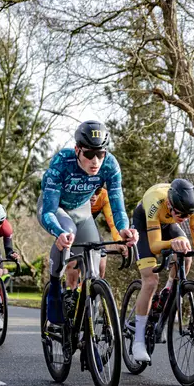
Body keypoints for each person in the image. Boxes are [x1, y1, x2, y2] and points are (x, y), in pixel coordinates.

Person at [38, 120, 138, 323]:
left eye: (100, 154)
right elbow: (49, 211)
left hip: (82, 211)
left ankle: (87, 318)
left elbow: (117, 205)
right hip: (56, 208)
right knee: (68, 232)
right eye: (89, 154)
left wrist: (123, 230)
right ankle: (55, 288)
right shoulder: (62, 161)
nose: (95, 161)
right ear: (77, 150)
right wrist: (58, 232)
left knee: (95, 261)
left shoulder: (110, 165)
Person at [131, 179, 194, 363]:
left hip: (167, 224)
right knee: (150, 280)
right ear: (169, 203)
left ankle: (168, 291)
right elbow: (155, 245)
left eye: (188, 215)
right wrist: (172, 243)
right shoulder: (156, 201)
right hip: (144, 225)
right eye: (180, 213)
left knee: (187, 256)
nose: (184, 217)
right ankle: (138, 341)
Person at [90, 184, 127, 278]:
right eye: (91, 191)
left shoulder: (104, 195)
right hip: (71, 221)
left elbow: (112, 221)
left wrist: (119, 241)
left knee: (101, 253)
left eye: (97, 191)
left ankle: (98, 283)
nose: (94, 195)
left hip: (90, 222)